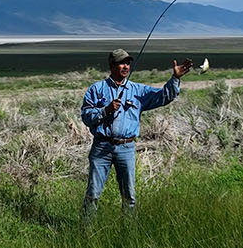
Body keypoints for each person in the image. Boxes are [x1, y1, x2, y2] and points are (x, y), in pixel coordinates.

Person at [79, 47, 193, 221]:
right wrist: (106, 110)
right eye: (121, 63)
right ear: (111, 65)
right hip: (101, 147)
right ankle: (86, 232)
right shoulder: (97, 89)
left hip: (126, 147)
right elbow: (86, 117)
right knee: (93, 194)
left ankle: (129, 234)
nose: (125, 66)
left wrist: (175, 78)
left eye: (127, 63)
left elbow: (163, 97)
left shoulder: (138, 90)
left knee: (129, 197)